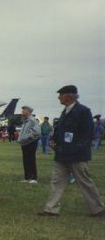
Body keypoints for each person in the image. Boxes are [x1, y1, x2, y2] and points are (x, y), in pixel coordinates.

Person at [38, 85, 105, 217]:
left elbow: (87, 133)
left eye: (60, 95)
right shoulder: (65, 111)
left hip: (77, 155)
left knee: (84, 182)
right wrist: (53, 139)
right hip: (62, 154)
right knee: (57, 181)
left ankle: (98, 209)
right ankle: (51, 209)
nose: (58, 97)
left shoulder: (83, 111)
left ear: (68, 96)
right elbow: (60, 130)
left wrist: (76, 148)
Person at [17, 105, 41, 184]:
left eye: (24, 110)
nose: (22, 112)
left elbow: (37, 132)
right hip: (25, 143)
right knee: (25, 160)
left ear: (29, 111)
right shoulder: (26, 120)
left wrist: (27, 138)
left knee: (31, 160)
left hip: (30, 142)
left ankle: (34, 178)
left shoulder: (32, 120)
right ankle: (27, 178)